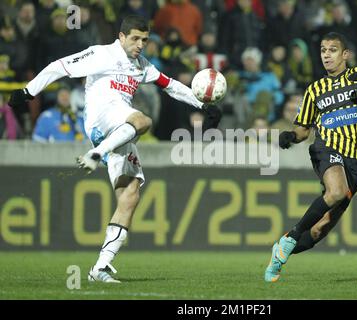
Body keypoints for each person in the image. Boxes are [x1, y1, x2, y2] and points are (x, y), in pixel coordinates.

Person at [8, 15, 221, 283]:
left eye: (144, 39)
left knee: (130, 195)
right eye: (135, 38)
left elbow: (170, 86)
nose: (140, 44)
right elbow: (58, 66)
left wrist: (203, 105)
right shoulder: (101, 54)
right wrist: (28, 92)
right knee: (144, 120)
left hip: (120, 128)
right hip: (102, 117)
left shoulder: (141, 65)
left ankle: (100, 267)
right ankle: (95, 154)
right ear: (121, 37)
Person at [264, 32, 357, 282]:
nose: (326, 55)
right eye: (322, 50)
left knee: (320, 230)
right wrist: (290, 136)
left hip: (355, 163)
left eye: (332, 50)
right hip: (326, 150)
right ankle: (291, 236)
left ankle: (279, 255)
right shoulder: (314, 90)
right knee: (336, 191)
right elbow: (303, 128)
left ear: (345, 55)